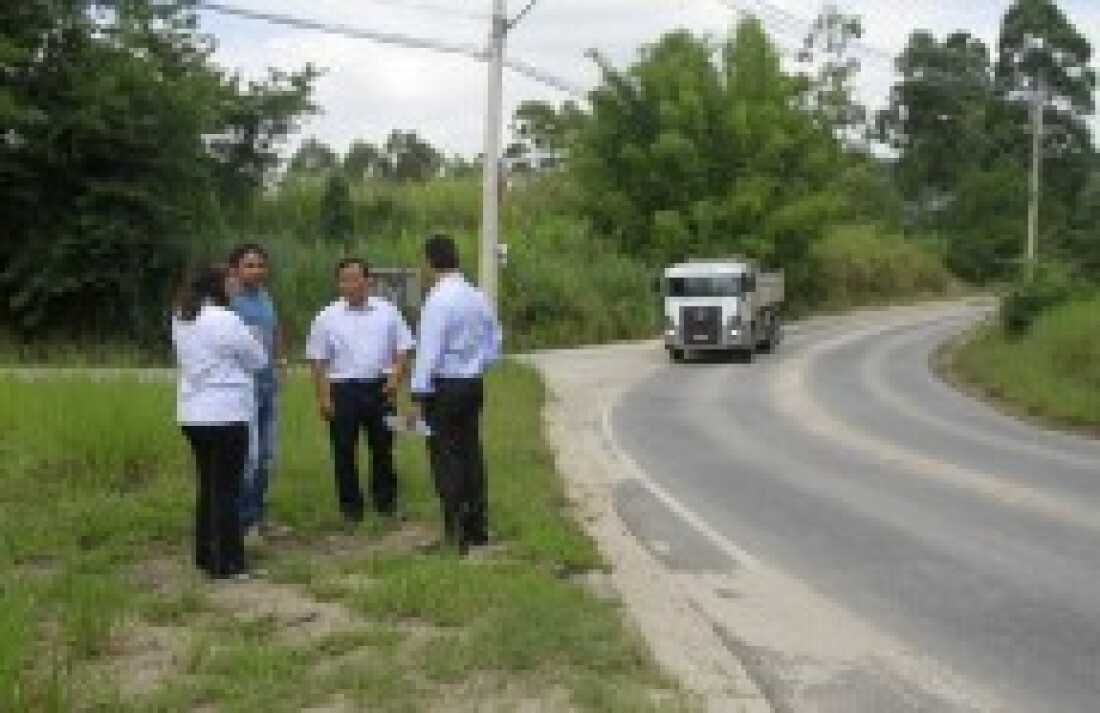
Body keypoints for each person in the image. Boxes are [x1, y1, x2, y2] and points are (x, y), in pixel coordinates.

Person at [171, 263, 267, 580]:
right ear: (218, 285)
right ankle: (228, 562)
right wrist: (249, 342)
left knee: (208, 485)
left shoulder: (181, 316)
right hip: (226, 412)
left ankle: (205, 554)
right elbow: (258, 359)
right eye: (230, 281)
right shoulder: (226, 318)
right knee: (227, 489)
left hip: (192, 412)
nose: (234, 285)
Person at [408, 234, 503, 553]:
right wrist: (477, 363)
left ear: (429, 262)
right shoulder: (476, 296)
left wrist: (418, 394)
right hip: (472, 383)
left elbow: (429, 351)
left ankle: (455, 535)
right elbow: (495, 339)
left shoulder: (438, 300)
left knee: (446, 457)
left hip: (445, 386)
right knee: (471, 452)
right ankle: (477, 527)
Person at [306, 257, 415, 526]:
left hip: (380, 388)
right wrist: (324, 397)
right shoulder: (326, 316)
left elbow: (404, 348)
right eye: (344, 279)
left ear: (369, 281)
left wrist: (395, 379)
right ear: (338, 283)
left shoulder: (387, 311)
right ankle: (351, 509)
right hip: (343, 390)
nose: (350, 285)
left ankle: (386, 503)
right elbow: (318, 360)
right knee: (343, 450)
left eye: (356, 278)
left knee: (383, 447)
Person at [227, 242, 289, 538]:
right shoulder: (228, 300)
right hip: (243, 389)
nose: (256, 270)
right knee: (247, 459)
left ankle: (257, 515)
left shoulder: (264, 296)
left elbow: (275, 329)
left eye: (261, 265)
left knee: (266, 456)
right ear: (235, 269)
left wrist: (281, 361)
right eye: (249, 265)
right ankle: (240, 522)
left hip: (268, 387)